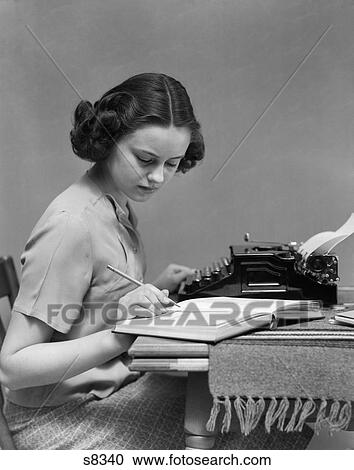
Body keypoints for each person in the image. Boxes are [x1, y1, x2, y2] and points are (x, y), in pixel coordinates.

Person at [0, 73, 312, 450]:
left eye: (171, 164)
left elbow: (82, 308)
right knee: (273, 413)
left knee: (260, 395)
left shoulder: (114, 204)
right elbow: (13, 368)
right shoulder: (72, 224)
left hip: (112, 390)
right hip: (63, 422)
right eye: (145, 159)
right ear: (107, 138)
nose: (156, 177)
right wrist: (121, 331)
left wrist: (157, 287)